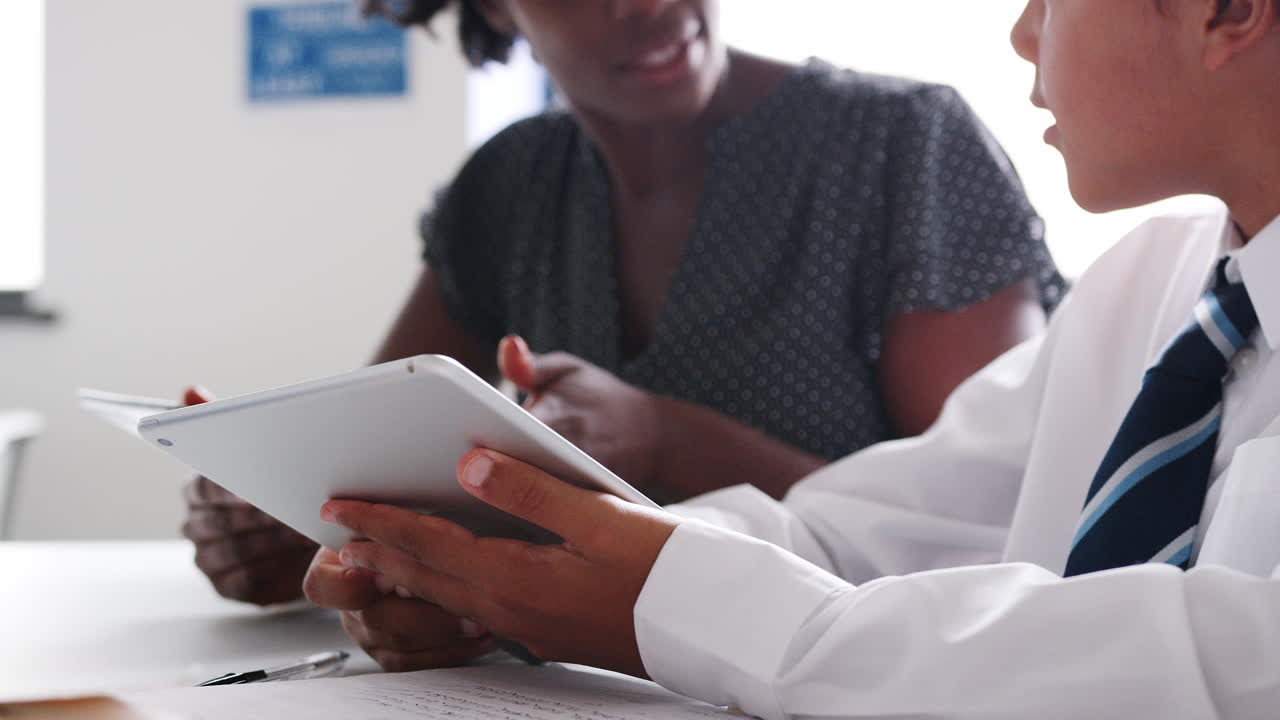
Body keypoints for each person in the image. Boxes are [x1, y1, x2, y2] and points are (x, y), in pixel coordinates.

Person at [310, 0, 1280, 714]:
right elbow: (859, 528)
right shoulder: (1145, 287)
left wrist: (710, 615)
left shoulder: (896, 143)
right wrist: (520, 580)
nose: (1022, 34)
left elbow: (1234, 664)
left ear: (1228, 11)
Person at [187, 0, 1063, 625]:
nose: (646, 3)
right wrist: (303, 520)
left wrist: (664, 438)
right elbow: (370, 461)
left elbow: (999, 529)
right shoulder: (507, 185)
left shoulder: (903, 147)